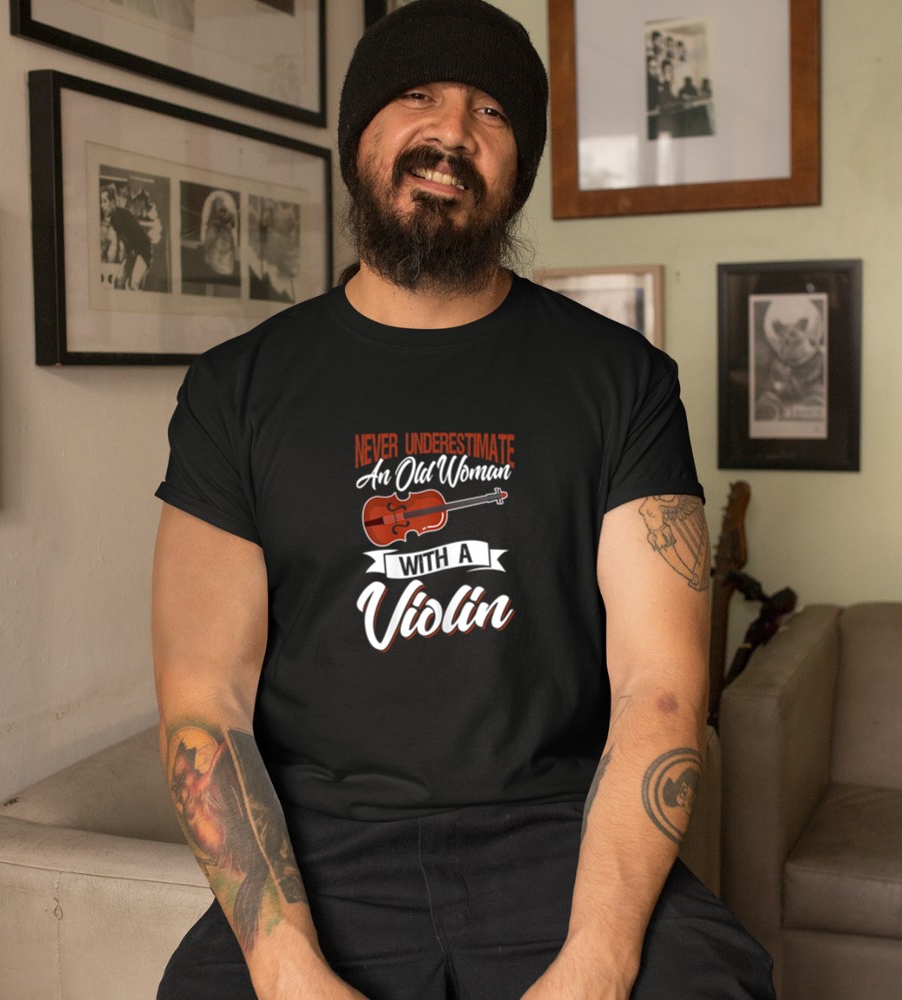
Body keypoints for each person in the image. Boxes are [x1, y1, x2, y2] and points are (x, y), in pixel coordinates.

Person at [151, 2, 775, 999]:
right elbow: (204, 701)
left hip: (559, 835)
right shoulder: (235, 390)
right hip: (322, 850)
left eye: (491, 111)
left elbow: (659, 685)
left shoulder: (624, 381)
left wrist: (599, 960)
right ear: (358, 137)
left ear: (518, 169)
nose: (451, 132)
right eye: (416, 97)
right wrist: (284, 966)